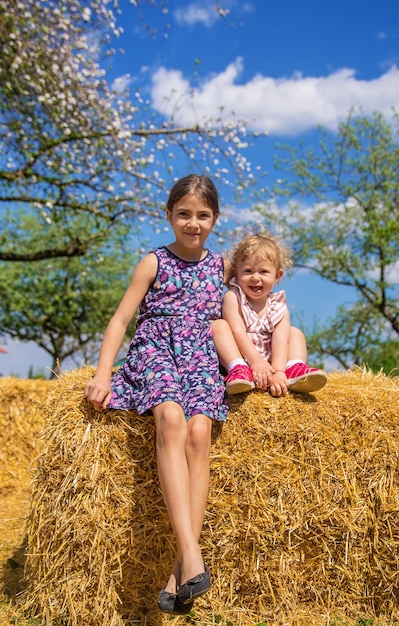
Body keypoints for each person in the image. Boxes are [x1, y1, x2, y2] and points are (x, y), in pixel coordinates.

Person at [84, 174, 251, 616]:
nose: (192, 223)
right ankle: (191, 553)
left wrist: (266, 361)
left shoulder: (221, 268)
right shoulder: (153, 262)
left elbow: (243, 315)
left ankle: (180, 569)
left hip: (198, 357)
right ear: (169, 216)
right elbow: (121, 321)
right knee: (172, 419)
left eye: (202, 215)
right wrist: (104, 373)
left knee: (199, 434)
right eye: (183, 214)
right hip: (156, 351)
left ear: (215, 219)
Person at [222, 231, 327, 397]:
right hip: (244, 356)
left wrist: (278, 370)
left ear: (277, 276)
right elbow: (237, 332)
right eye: (248, 271)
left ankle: (293, 368)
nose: (255, 278)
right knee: (219, 327)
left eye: (263, 272)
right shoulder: (233, 298)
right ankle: (238, 369)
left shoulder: (279, 306)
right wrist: (255, 362)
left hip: (271, 364)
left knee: (295, 332)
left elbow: (280, 340)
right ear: (236, 273)